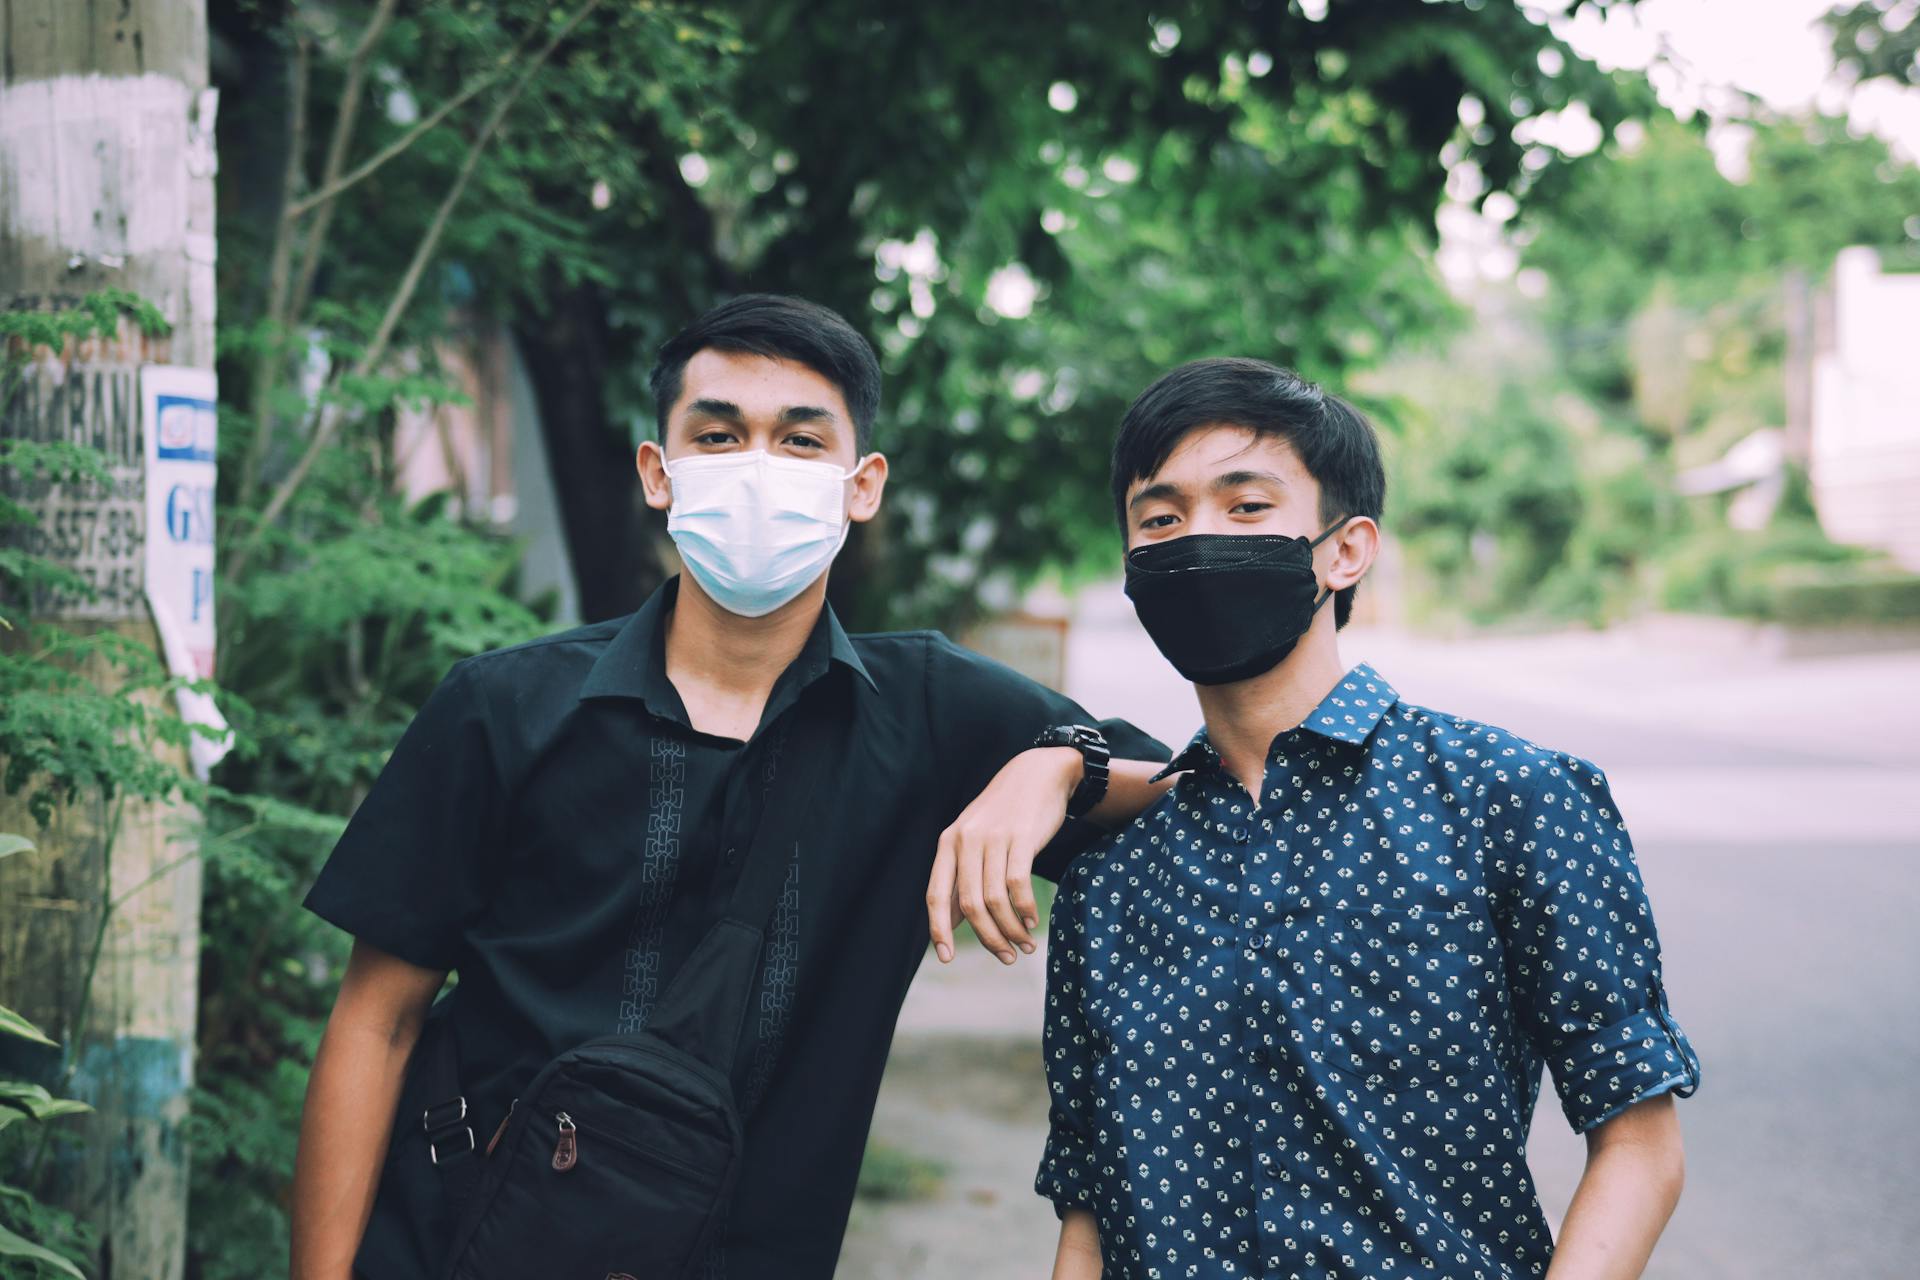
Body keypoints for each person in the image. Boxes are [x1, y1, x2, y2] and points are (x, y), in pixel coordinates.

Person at [288, 294, 1173, 1280]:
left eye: (801, 440)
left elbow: (1200, 786)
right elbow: (378, 1017)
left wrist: (1055, 764)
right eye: (720, 434)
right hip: (466, 1241)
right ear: (658, 474)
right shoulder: (505, 708)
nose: (759, 467)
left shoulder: (930, 712)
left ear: (861, 484)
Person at [1036, 358, 1701, 1280]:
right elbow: (1088, 1219)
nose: (1199, 539)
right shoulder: (1111, 880)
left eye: (1246, 506)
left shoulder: (1506, 799)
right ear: (1132, 566)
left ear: (1346, 550)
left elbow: (1639, 1141)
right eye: (1161, 517)